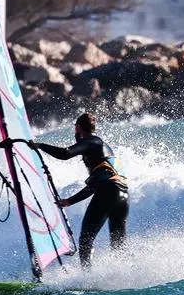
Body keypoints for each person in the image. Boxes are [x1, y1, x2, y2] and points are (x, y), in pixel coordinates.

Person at [28, 112, 128, 269]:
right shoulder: (102, 150)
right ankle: (125, 274)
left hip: (109, 193)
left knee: (86, 239)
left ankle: (86, 276)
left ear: (78, 127)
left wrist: (39, 146)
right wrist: (69, 201)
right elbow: (96, 186)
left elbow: (65, 153)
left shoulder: (92, 141)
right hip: (122, 196)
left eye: (75, 129)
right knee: (118, 243)